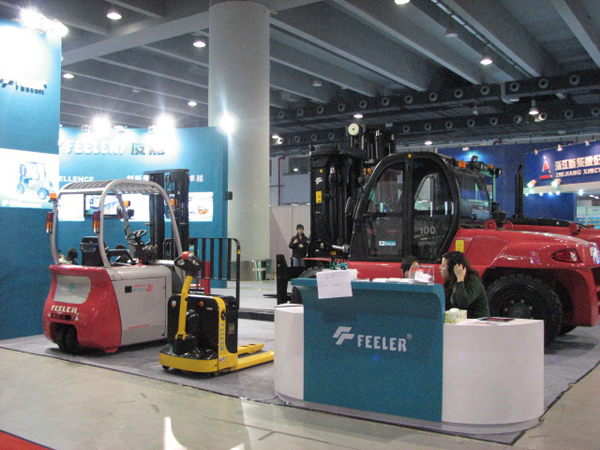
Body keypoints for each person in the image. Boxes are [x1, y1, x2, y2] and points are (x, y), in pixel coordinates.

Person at [440, 251, 489, 318]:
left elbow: (463, 303)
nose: (440, 268)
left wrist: (460, 279)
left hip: (476, 321)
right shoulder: (450, 282)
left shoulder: (473, 281)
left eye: (443, 266)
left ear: (453, 268)